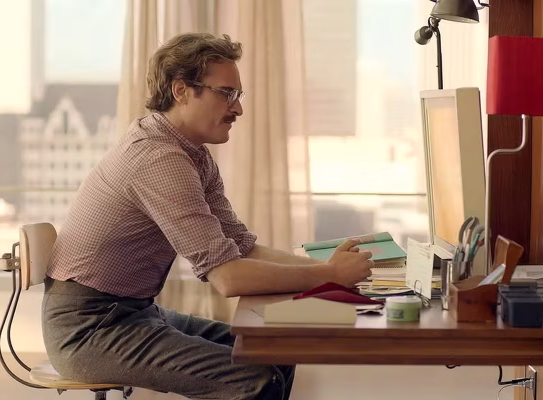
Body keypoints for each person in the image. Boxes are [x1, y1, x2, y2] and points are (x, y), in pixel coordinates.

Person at [42, 32, 374, 400]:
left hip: (130, 313)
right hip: (89, 329)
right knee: (256, 380)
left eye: (238, 95)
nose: (238, 109)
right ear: (181, 91)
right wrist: (329, 275)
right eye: (226, 93)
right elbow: (228, 278)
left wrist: (327, 269)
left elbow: (242, 249)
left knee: (274, 351)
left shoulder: (191, 155)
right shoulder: (159, 159)